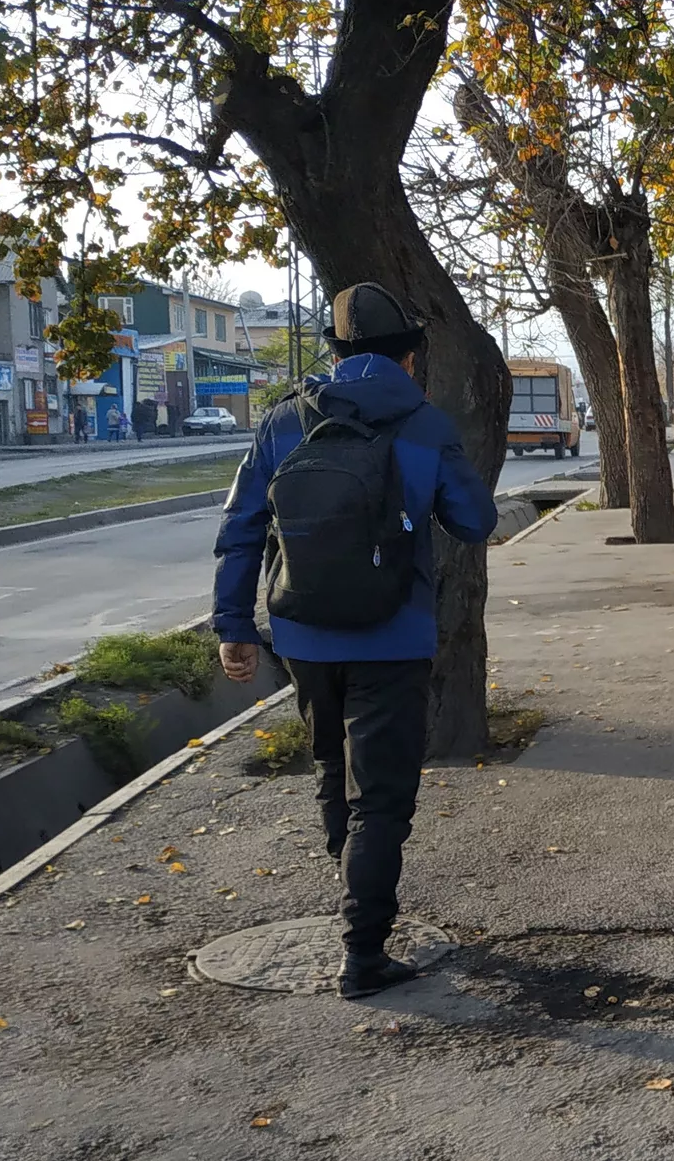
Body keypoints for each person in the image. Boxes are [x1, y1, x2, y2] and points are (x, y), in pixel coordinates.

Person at [212, 282, 497, 999]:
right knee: (383, 797)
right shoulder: (424, 424)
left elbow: (241, 527)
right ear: (410, 358)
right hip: (393, 633)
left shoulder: (284, 420)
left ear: (336, 355)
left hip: (303, 635)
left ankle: (353, 890)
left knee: (331, 770)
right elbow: (474, 521)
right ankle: (363, 952)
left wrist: (233, 625)